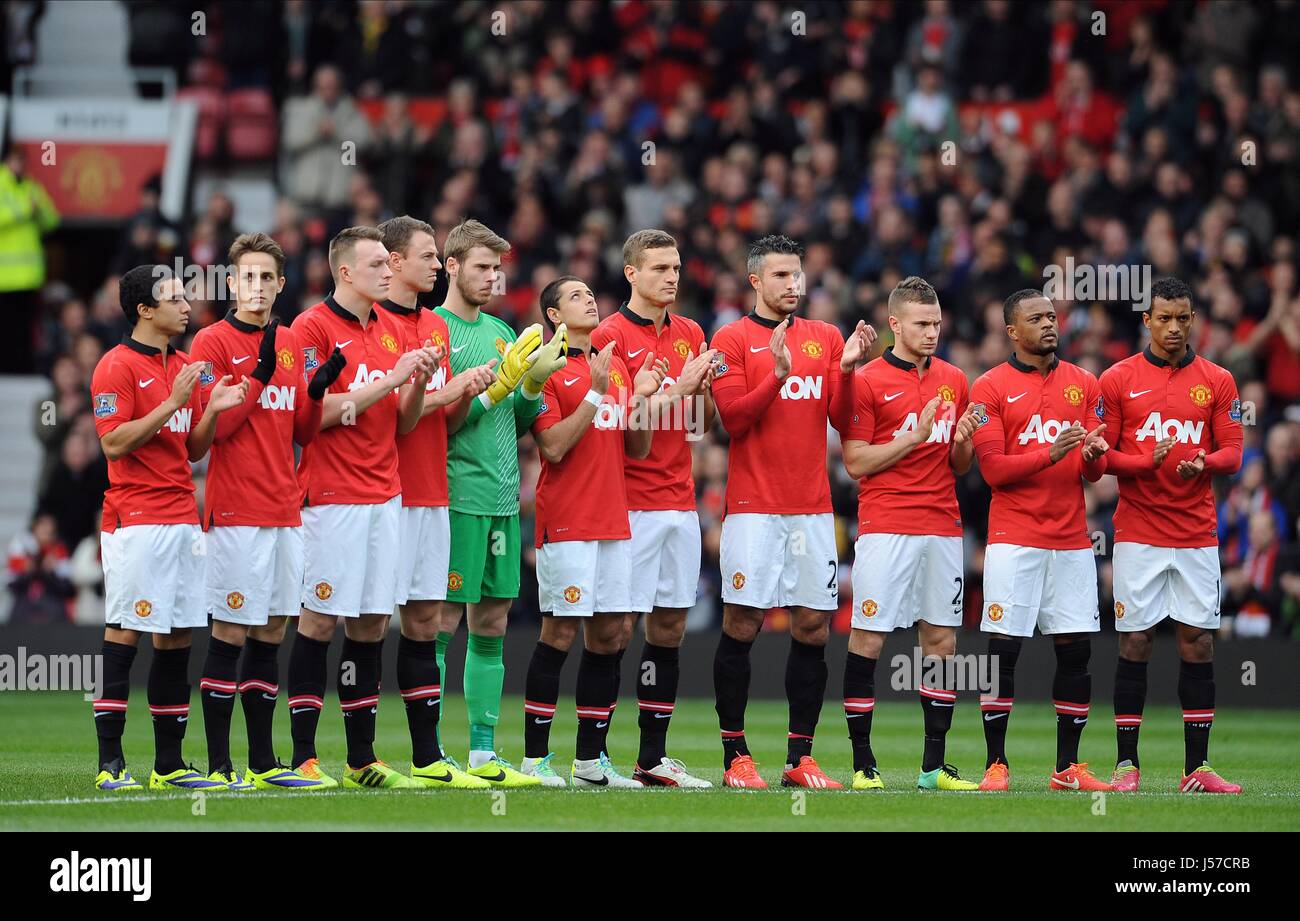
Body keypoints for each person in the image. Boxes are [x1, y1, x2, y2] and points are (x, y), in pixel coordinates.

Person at [708, 234, 871, 789]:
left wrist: (846, 371)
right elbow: (732, 420)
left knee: (813, 626)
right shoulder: (731, 339)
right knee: (744, 621)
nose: (792, 284)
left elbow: (844, 420)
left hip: (811, 508)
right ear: (755, 281)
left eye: (797, 275)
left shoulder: (825, 337)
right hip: (753, 507)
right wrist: (776, 376)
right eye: (780, 276)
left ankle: (799, 757)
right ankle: (736, 756)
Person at [188, 232, 344, 791]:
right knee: (230, 631)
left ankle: (261, 762)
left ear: (280, 284)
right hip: (236, 512)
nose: (256, 287)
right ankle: (219, 765)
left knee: (271, 633)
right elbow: (214, 432)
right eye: (246, 277)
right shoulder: (210, 342)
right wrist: (257, 374)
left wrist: (319, 388)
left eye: (266, 278)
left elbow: (302, 430)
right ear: (232, 282)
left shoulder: (289, 344)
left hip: (285, 510)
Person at [285, 226, 438, 789]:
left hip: (385, 494)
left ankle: (361, 760)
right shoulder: (312, 328)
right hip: (332, 497)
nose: (386, 271)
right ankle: (303, 756)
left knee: (372, 623)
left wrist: (414, 381)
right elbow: (311, 419)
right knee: (320, 619)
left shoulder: (390, 331)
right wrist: (393, 380)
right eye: (376, 264)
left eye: (386, 263)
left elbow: (403, 420)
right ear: (345, 272)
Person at [89, 264, 248, 791]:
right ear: (144, 309)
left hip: (183, 514)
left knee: (177, 635)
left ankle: (169, 765)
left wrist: (211, 411)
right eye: (175, 298)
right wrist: (173, 403)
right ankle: (110, 763)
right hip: (135, 518)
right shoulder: (115, 367)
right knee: (126, 628)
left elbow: (194, 448)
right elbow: (113, 443)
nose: (187, 306)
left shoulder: (187, 365)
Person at [1099, 277, 1244, 794]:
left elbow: (1233, 451)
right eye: (1164, 318)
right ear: (1147, 321)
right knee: (1135, 641)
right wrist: (1143, 461)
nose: (1175, 327)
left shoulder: (1219, 380)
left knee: (1198, 642)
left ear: (1193, 318)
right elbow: (1101, 457)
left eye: (1183, 317)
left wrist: (1204, 460)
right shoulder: (1117, 380)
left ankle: (1197, 769)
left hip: (1196, 534)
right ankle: (1125, 765)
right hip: (1138, 533)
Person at [519, 275, 665, 786]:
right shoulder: (543, 368)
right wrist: (597, 395)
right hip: (568, 520)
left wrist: (640, 398)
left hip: (613, 518)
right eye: (576, 296)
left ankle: (589, 762)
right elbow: (554, 447)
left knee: (612, 633)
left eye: (590, 294)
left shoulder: (616, 364)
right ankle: (535, 759)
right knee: (559, 631)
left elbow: (639, 450)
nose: (590, 299)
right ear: (555, 315)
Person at [435, 218, 566, 786]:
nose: (493, 277)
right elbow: (440, 423)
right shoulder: (431, 330)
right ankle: (429, 751)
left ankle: (484, 755)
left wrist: (531, 385)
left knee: (490, 622)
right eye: (482, 267)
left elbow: (522, 420)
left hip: (503, 497)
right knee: (438, 622)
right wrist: (492, 387)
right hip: (455, 493)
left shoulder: (501, 332)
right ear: (452, 267)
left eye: (498, 267)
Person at [587, 229, 718, 787]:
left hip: (679, 503)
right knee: (615, 629)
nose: (671, 276)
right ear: (631, 274)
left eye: (676, 266)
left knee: (668, 626)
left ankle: (651, 759)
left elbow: (698, 427)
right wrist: (671, 390)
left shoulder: (691, 332)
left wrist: (699, 391)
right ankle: (591, 758)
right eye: (660, 267)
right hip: (629, 504)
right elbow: (619, 428)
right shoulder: (608, 337)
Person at [840, 276, 982, 791]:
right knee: (869, 638)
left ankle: (933, 768)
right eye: (922, 324)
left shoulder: (954, 380)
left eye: (937, 324)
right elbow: (856, 461)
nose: (931, 333)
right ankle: (862, 764)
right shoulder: (868, 380)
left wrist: (961, 441)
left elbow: (960, 463)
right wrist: (916, 435)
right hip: (886, 525)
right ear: (894, 324)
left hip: (943, 526)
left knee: (941, 640)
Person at [969, 289, 1112, 793]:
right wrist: (1050, 455)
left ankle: (1067, 767)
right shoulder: (988, 388)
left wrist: (1094, 453)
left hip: (1072, 540)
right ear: (1013, 331)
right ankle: (996, 764)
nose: (1049, 324)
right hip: (1014, 538)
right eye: (1036, 318)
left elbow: (1095, 473)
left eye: (1052, 316)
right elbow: (992, 470)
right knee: (1003, 651)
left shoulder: (1085, 383)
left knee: (1075, 653)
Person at [376, 215, 496, 788]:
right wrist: (450, 389)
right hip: (382, 492)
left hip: (432, 490)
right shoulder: (370, 325)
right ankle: (354, 756)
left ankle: (428, 760)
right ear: (394, 261)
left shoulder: (435, 330)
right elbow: (391, 416)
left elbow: (442, 421)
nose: (432, 262)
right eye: (426, 255)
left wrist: (476, 391)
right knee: (367, 621)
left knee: (424, 621)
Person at [0, 144, 59, 374]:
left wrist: (38, 210)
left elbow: (52, 220)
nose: (20, 165)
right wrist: (26, 209)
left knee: (25, 330)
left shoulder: (32, 187)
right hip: (5, 278)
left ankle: (21, 368)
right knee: (5, 329)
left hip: (29, 277)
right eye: (15, 160)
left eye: (23, 160)